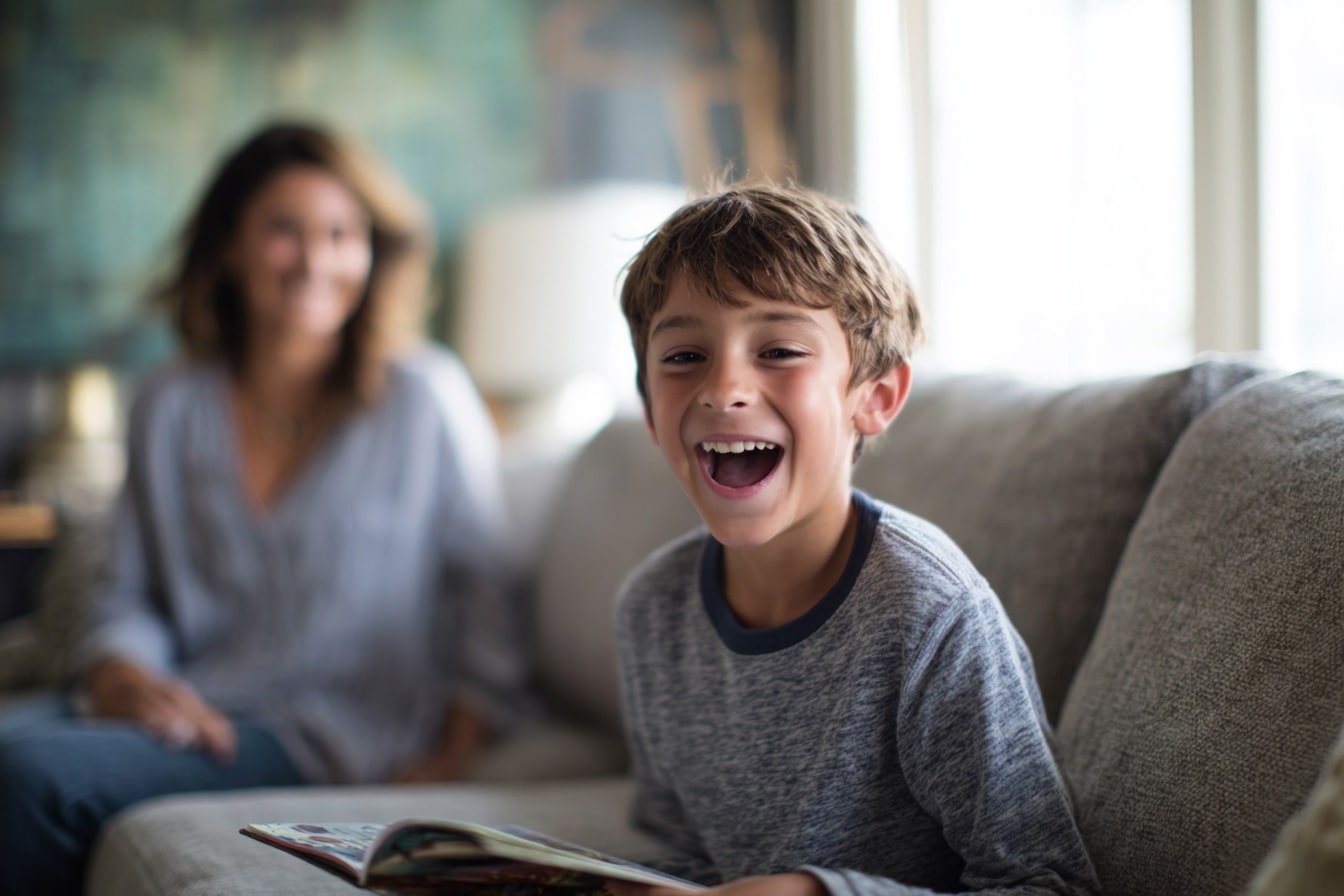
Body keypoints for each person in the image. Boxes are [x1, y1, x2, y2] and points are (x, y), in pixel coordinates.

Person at [0, 122, 525, 895]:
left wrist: (451, 759)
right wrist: (122, 671)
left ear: (372, 251)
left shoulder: (425, 398)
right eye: (285, 230)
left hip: (331, 737)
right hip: (194, 713)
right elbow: (129, 594)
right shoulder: (169, 405)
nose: (317, 260)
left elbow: (488, 597)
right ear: (231, 247)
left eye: (342, 234)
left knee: (27, 776)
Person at [609, 184, 1100, 895]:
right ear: (651, 412)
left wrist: (820, 893)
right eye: (684, 357)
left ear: (875, 398)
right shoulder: (651, 609)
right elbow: (686, 857)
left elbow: (1048, 882)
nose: (724, 389)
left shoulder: (929, 611)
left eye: (777, 349)